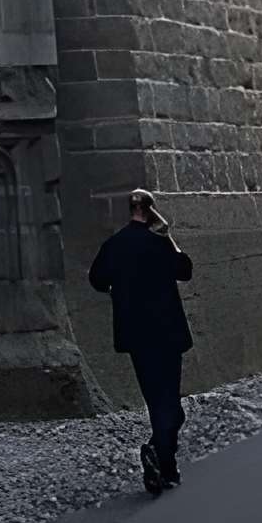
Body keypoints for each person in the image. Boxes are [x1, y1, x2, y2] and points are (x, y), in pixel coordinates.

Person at [88, 187, 194, 493]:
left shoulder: (115, 244)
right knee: (171, 403)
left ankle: (163, 464)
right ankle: (159, 456)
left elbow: (96, 279)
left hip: (137, 337)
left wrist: (115, 292)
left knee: (155, 400)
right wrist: (168, 234)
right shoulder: (158, 243)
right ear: (151, 210)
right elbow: (185, 270)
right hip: (167, 334)